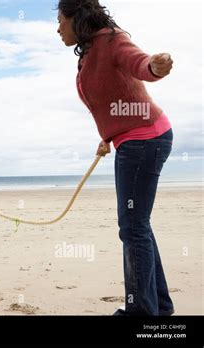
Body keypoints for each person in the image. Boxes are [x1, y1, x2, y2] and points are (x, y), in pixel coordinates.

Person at [56, 0, 175, 315]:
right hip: (135, 140)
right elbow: (111, 99)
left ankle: (140, 313)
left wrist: (154, 65)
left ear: (75, 18)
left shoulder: (111, 38)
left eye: (60, 20)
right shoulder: (92, 51)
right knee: (138, 226)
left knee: (133, 227)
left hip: (145, 140)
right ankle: (159, 307)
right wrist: (107, 136)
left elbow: (137, 63)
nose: (57, 29)